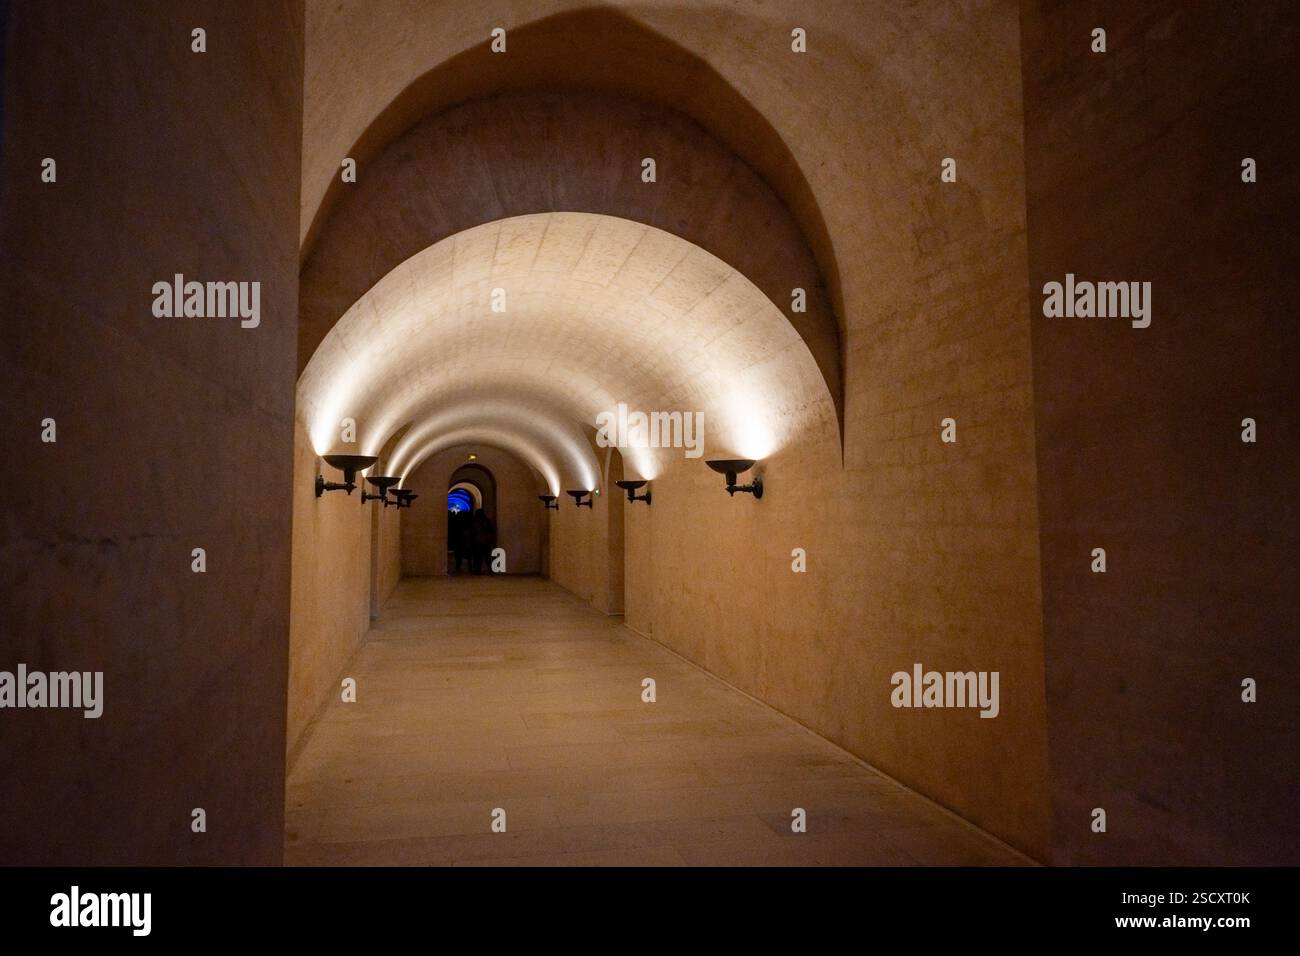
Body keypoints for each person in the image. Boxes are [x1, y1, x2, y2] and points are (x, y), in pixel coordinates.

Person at [469, 508, 495, 574]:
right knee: (487, 557)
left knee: (478, 556)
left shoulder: (475, 522)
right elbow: (492, 530)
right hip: (487, 541)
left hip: (478, 541)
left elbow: (473, 532)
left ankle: (478, 570)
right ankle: (490, 570)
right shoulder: (487, 521)